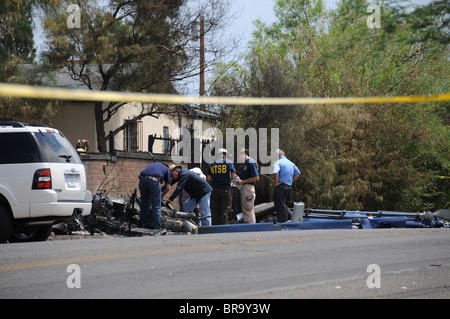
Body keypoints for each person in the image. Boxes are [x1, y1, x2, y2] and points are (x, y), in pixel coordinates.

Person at [207, 148, 236, 225]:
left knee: (215, 210)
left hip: (215, 190)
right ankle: (222, 228)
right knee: (224, 210)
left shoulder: (212, 164)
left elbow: (209, 179)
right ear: (224, 155)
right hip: (225, 189)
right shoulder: (229, 163)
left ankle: (214, 227)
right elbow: (233, 176)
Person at [138, 162, 171, 229]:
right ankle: (157, 227)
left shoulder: (154, 165)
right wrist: (161, 196)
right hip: (154, 180)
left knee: (144, 204)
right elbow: (168, 188)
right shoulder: (167, 170)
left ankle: (143, 226)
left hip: (142, 179)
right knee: (156, 206)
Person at [273, 149, 301, 223]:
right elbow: (297, 173)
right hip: (288, 187)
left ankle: (283, 224)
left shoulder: (278, 162)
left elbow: (275, 172)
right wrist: (291, 181)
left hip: (280, 187)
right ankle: (294, 220)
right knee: (284, 206)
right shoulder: (290, 163)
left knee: (280, 207)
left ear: (277, 155)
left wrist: (276, 183)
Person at [236, 148, 259, 224]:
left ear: (243, 154)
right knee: (246, 210)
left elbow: (256, 177)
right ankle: (249, 228)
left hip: (248, 188)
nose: (238, 159)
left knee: (248, 210)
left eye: (238, 156)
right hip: (245, 188)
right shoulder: (246, 163)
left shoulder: (251, 162)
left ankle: (251, 229)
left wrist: (243, 181)